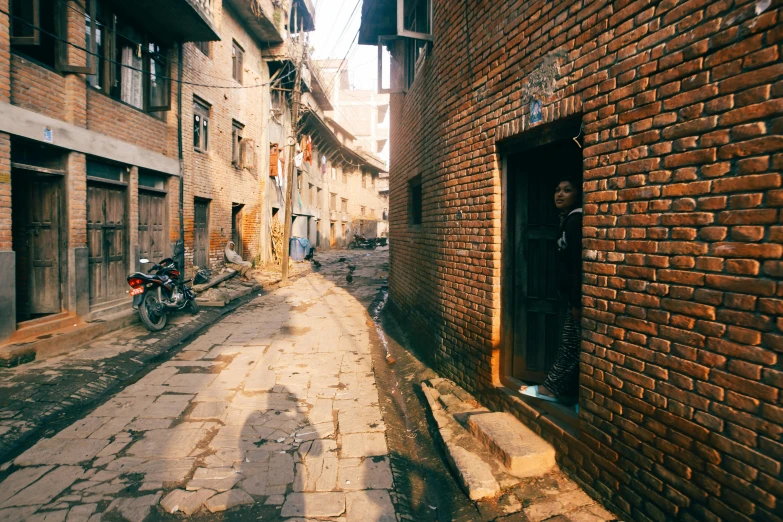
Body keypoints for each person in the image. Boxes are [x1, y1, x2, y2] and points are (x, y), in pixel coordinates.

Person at [521, 177, 582, 403]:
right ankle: (559, 390)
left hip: (577, 301)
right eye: (557, 190)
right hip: (571, 298)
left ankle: (554, 389)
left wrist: (577, 302)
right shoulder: (568, 220)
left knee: (571, 346)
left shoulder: (576, 220)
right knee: (571, 345)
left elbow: (579, 264)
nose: (560, 194)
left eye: (567, 190)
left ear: (577, 193)